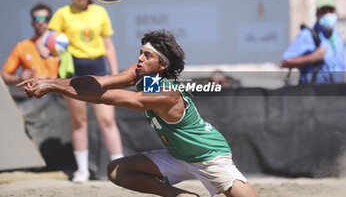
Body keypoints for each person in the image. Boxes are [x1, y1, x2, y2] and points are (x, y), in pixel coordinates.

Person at [18, 30, 259, 197]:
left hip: (209, 156)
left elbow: (108, 97)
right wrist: (50, 81)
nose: (139, 58)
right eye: (141, 52)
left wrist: (53, 86)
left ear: (162, 66)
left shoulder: (168, 94)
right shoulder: (141, 74)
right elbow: (100, 83)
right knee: (117, 170)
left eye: (147, 56)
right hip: (179, 156)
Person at [37, 0, 124, 182]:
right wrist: (46, 49)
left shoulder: (100, 12)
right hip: (73, 70)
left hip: (98, 69)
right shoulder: (63, 13)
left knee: (107, 120)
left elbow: (108, 45)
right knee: (79, 121)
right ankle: (83, 170)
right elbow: (45, 39)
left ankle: (121, 168)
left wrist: (116, 73)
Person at [281, 0, 346, 84]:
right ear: (317, 14)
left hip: (335, 92)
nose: (327, 14)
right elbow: (285, 62)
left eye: (330, 10)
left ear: (336, 13)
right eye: (323, 11)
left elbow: (342, 68)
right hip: (314, 93)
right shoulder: (308, 35)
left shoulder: (338, 38)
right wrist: (313, 57)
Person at [1, 3, 59, 85]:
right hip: (34, 95)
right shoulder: (23, 46)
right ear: (32, 22)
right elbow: (4, 74)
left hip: (58, 93)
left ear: (51, 21)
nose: (41, 22)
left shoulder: (60, 44)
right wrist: (20, 77)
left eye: (45, 18)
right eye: (37, 19)